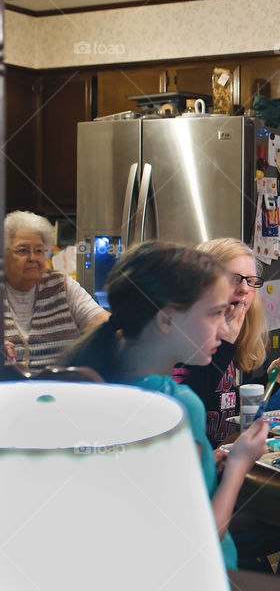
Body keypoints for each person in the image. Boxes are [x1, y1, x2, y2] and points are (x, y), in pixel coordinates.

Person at [61, 241, 268, 571]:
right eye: (215, 313)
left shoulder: (105, 381)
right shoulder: (178, 405)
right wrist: (239, 464)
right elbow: (201, 538)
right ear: (167, 319)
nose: (223, 326)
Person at [172, 238, 280, 447]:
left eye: (251, 280)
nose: (244, 288)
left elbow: (230, 402)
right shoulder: (182, 339)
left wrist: (270, 382)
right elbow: (185, 405)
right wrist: (225, 342)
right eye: (234, 278)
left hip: (224, 457)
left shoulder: (236, 338)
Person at [2, 211, 107, 368]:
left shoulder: (60, 283)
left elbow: (96, 319)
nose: (32, 258)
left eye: (39, 251)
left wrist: (121, 329)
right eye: (23, 250)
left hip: (63, 386)